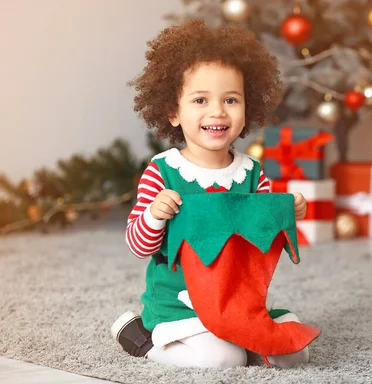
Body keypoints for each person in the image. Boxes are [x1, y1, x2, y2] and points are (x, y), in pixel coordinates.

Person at [110, 19, 313, 369]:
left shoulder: (251, 172)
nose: (217, 111)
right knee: (222, 359)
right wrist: (155, 215)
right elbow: (136, 244)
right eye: (200, 99)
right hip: (179, 303)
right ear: (173, 112)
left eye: (230, 99)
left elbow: (266, 235)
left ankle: (243, 339)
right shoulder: (163, 171)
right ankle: (142, 340)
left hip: (239, 300)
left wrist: (290, 211)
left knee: (294, 354)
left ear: (247, 108)